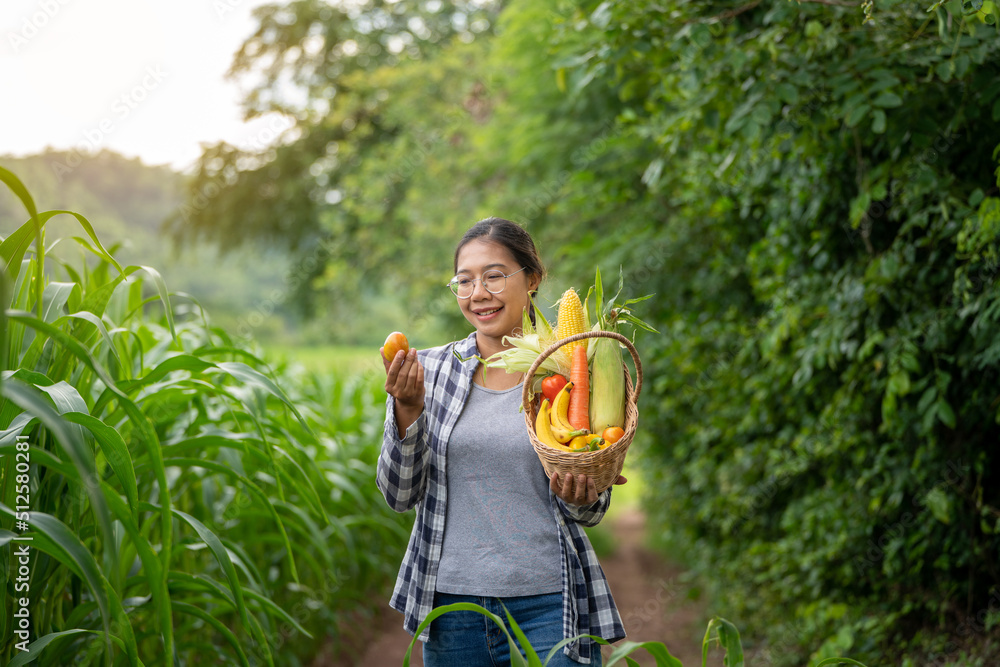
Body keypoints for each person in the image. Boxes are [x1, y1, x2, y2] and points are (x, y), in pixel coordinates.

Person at [376, 217, 626, 666]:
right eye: (464, 281)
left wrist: (581, 493)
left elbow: (591, 510)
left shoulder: (569, 373)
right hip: (454, 603)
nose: (479, 294)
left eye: (494, 276)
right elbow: (397, 495)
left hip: (550, 597)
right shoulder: (427, 372)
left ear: (531, 279)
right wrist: (409, 409)